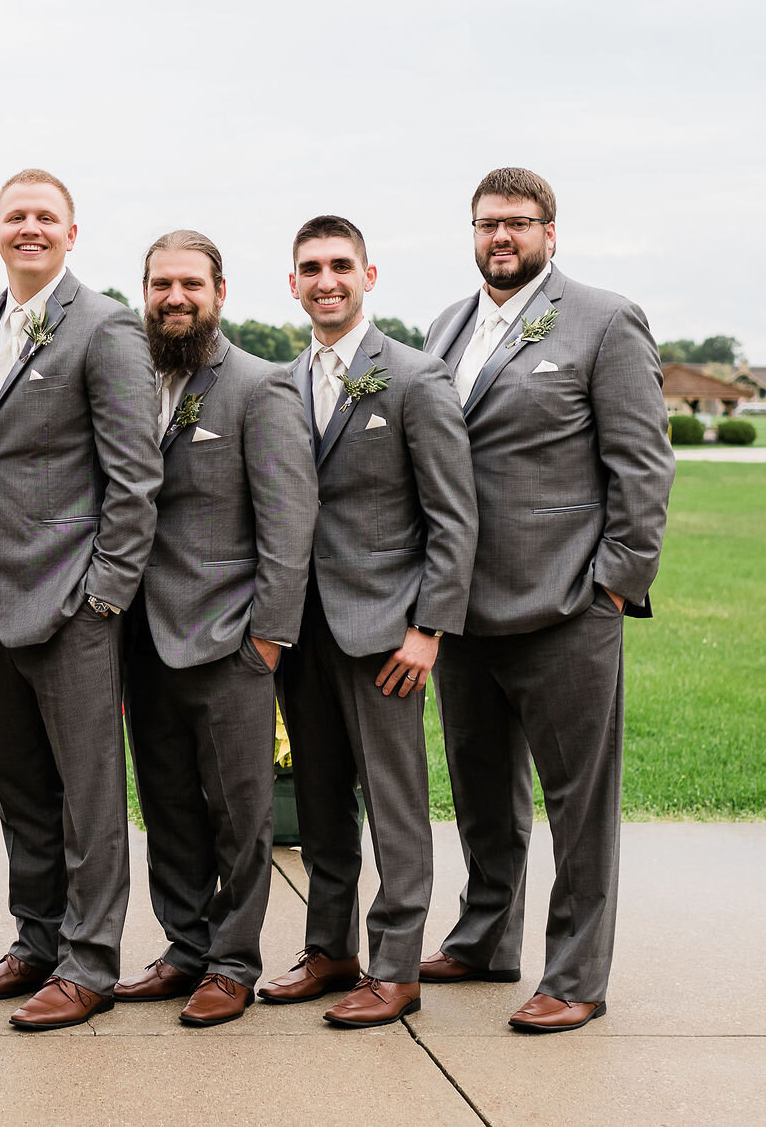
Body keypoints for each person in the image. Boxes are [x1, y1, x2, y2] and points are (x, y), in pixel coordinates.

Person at [419, 167, 673, 1033]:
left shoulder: (605, 320)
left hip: (567, 608)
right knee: (483, 789)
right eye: (488, 222)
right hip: (463, 610)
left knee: (578, 805)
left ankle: (576, 974)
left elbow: (641, 467)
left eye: (518, 223)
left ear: (550, 232)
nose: (502, 237)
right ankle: (487, 938)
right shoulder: (445, 327)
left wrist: (612, 586)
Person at [259, 215, 477, 1028]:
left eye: (340, 265)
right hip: (302, 629)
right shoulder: (280, 383)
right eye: (310, 266)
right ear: (292, 283)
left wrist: (429, 629)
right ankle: (329, 949)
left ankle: (394, 966)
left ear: (369, 275)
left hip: (387, 631)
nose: (326, 279)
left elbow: (454, 516)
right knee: (318, 804)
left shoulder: (416, 379)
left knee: (394, 804)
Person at [0, 168, 163, 1031]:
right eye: (17, 217)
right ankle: (37, 938)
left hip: (75, 601)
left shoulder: (108, 326)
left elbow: (134, 475)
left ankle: (90, 960)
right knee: (22, 786)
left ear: (71, 234)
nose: (30, 228)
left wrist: (105, 595)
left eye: (47, 217)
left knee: (89, 792)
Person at [112, 230, 315, 1028]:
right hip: (144, 641)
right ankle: (183, 947)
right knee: (166, 806)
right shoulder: (132, 383)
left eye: (190, 283)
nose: (174, 297)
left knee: (240, 814)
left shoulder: (260, 389)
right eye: (161, 283)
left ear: (220, 292)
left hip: (231, 640)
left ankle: (234, 962)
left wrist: (266, 639)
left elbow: (289, 525)